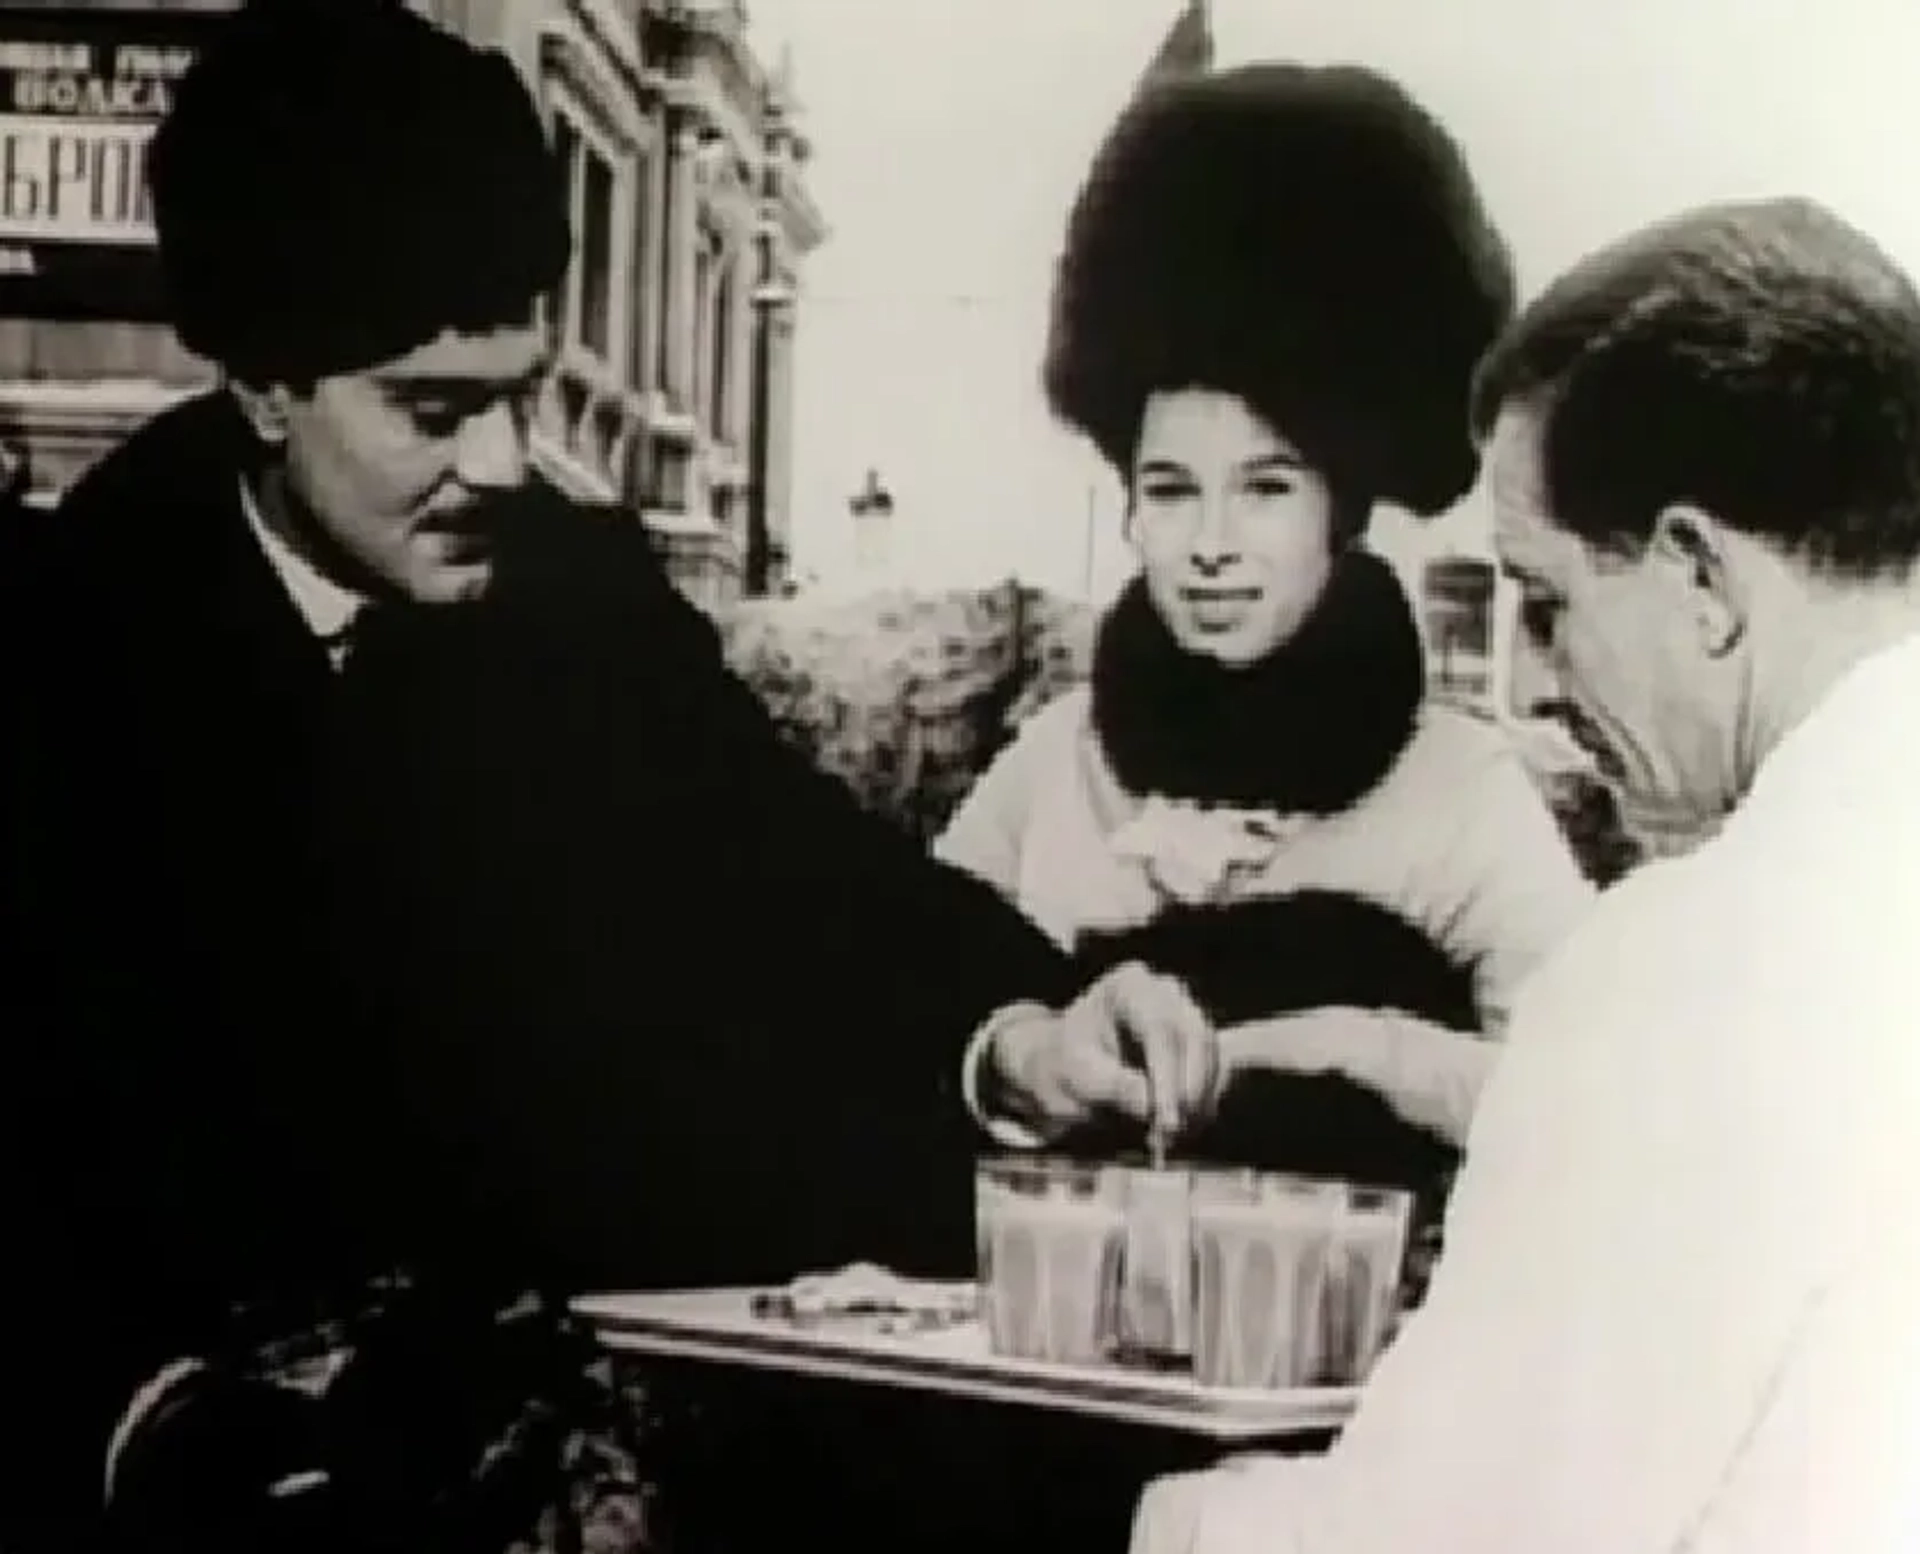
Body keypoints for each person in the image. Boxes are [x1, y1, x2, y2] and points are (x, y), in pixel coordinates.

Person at [0, 3, 1215, 1548]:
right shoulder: (64, 657)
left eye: (520, 387)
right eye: (435, 411)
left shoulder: (577, 599)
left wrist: (1023, 1031)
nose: (506, 462)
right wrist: (165, 1416)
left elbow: (802, 871)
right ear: (263, 385)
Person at [1127, 195, 1920, 1554]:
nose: (1543, 687)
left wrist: (1147, 1523)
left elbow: (1451, 1536)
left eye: (1546, 604)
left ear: (1697, 573)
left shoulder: (1697, 962)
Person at [939, 64, 1592, 1178]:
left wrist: (1355, 1050)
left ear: (1344, 510)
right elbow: (898, 1007)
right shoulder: (1052, 766)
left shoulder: (1459, 787)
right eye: (1172, 488)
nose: (1211, 544)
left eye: (1267, 486)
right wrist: (1011, 1062)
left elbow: (1598, 1099)